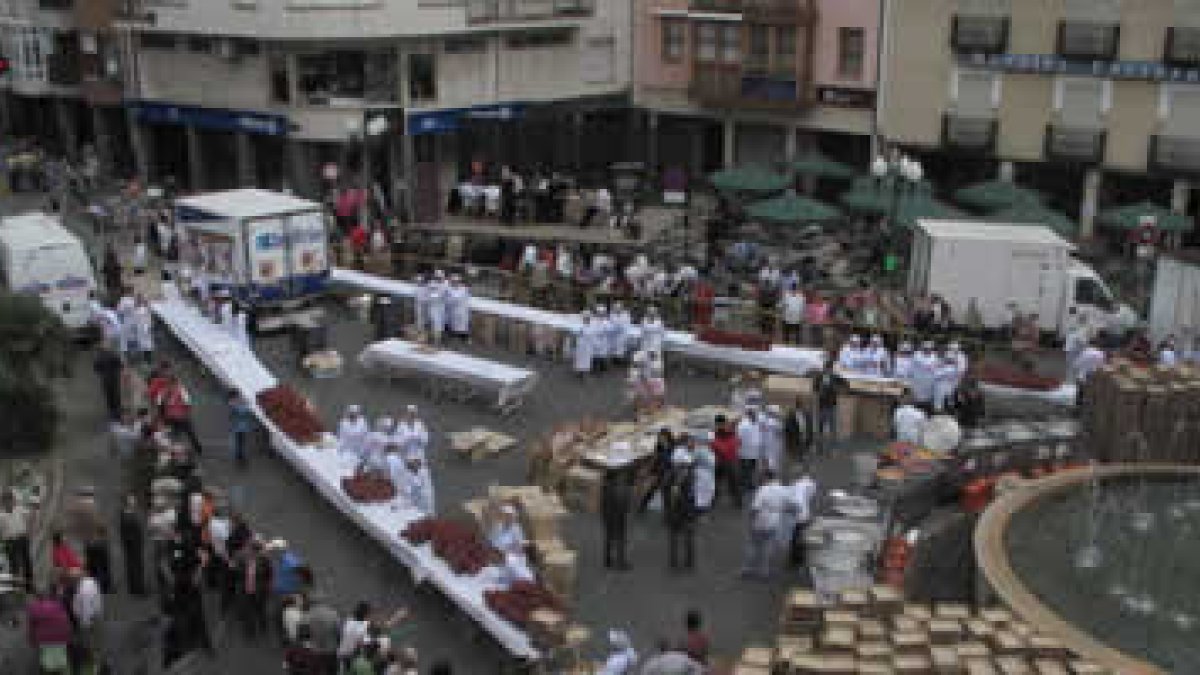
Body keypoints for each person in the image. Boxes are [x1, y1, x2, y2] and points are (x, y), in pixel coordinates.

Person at [742, 471, 787, 579]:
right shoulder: (784, 490)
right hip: (775, 520)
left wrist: (751, 519)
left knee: (753, 545)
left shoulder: (763, 489)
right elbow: (791, 505)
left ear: (766, 478)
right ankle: (764, 571)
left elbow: (755, 507)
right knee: (768, 547)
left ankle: (748, 568)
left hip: (761, 519)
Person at [664, 452, 697, 571]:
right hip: (678, 513)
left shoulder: (688, 477)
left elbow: (689, 497)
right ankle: (676, 562)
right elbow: (669, 497)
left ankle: (688, 562)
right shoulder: (674, 478)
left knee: (686, 538)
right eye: (683, 466)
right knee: (677, 538)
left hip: (684, 512)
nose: (685, 469)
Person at [235, 539, 273, 641]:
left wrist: (267, 586)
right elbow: (237, 571)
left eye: (257, 551)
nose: (254, 553)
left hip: (259, 590)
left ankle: (262, 625)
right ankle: (250, 632)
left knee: (260, 609)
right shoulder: (241, 556)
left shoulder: (264, 559)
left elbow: (269, 573)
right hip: (245, 589)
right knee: (247, 611)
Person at [157, 373, 203, 455]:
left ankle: (174, 451)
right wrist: (187, 411)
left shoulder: (163, 391)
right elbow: (188, 402)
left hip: (170, 417)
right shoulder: (181, 390)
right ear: (176, 382)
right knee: (190, 432)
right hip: (182, 416)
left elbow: (159, 404)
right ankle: (197, 448)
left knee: (174, 434)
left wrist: (163, 416)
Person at [783, 473, 817, 567]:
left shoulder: (798, 486)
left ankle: (795, 560)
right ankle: (800, 558)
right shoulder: (810, 483)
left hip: (797, 516)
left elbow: (797, 503)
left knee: (795, 539)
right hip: (805, 514)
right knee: (801, 537)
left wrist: (787, 509)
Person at [0, 488, 33, 584]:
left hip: (22, 537)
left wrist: (29, 531)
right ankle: (15, 583)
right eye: (6, 501)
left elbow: (30, 516)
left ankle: (29, 582)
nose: (9, 503)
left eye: (10, 500)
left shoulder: (19, 509)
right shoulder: (1, 515)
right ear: (3, 502)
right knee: (14, 563)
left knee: (26, 560)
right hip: (10, 541)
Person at [639, 428, 675, 513]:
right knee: (652, 490)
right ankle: (642, 507)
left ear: (667, 437)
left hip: (667, 473)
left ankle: (669, 513)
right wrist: (650, 471)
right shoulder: (659, 446)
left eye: (662, 438)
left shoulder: (672, 448)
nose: (660, 439)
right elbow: (655, 459)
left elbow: (672, 462)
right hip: (660, 472)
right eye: (659, 437)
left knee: (665, 494)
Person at [812, 359, 844, 453]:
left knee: (832, 428)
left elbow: (843, 385)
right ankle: (819, 447)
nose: (827, 370)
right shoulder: (819, 377)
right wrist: (820, 390)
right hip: (821, 406)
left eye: (829, 369)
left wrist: (835, 389)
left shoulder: (835, 377)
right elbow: (815, 388)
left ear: (831, 369)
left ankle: (832, 448)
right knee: (820, 428)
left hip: (831, 406)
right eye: (826, 368)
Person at [710, 415, 741, 509]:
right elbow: (737, 442)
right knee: (717, 481)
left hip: (727, 460)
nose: (719, 426)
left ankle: (737, 500)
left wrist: (719, 447)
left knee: (732, 481)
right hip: (722, 460)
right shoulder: (717, 432)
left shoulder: (728, 432)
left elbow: (736, 442)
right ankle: (713, 498)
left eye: (720, 424)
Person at [118, 494, 147, 596]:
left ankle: (133, 587)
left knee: (132, 565)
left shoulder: (125, 514)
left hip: (130, 544)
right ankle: (139, 588)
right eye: (132, 500)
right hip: (134, 544)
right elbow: (130, 531)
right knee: (136, 566)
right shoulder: (129, 515)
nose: (134, 501)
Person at [736, 408, 763, 498]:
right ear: (749, 414)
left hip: (754, 451)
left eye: (755, 414)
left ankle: (749, 483)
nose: (755, 416)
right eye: (753, 414)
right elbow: (739, 438)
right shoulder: (743, 425)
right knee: (744, 468)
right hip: (744, 451)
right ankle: (743, 485)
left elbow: (758, 435)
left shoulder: (756, 423)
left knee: (752, 468)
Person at [338, 602, 374, 670]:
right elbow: (365, 643)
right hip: (352, 656)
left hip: (340, 653)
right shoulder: (365, 625)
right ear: (366, 614)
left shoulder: (347, 620)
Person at [93, 345, 124, 422]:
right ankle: (118, 412)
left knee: (108, 395)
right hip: (114, 377)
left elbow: (96, 368)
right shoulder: (113, 354)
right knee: (116, 395)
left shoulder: (98, 357)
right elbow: (120, 365)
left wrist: (101, 372)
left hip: (105, 379)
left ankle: (112, 412)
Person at [639, 639, 703, 675]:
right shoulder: (680, 656)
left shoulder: (652, 662)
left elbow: (644, 672)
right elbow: (699, 668)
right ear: (668, 648)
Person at [228, 389, 256, 468]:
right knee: (241, 443)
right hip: (242, 428)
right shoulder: (236, 405)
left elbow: (232, 417)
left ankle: (239, 457)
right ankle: (241, 457)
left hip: (237, 427)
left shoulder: (232, 404)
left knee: (239, 442)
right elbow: (245, 412)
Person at [691, 436, 716, 513]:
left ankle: (701, 506)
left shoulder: (699, 450)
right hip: (706, 473)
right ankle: (704, 505)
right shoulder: (707, 450)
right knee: (705, 491)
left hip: (703, 473)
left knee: (701, 490)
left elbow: (692, 461)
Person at [910, 342, 938, 408]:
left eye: (929, 349)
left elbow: (936, 368)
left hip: (929, 381)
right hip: (917, 380)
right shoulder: (916, 355)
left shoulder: (934, 357)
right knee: (916, 397)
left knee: (928, 398)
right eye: (925, 349)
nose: (927, 350)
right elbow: (912, 367)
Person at [759, 405, 785, 475]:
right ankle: (771, 473)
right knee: (773, 459)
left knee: (767, 458)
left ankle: (767, 471)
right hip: (773, 443)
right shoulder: (775, 422)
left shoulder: (764, 420)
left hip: (766, 443)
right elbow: (780, 432)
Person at [446, 275, 471, 342]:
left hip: (462, 310)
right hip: (453, 310)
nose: (455, 283)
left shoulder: (464, 289)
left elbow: (463, 298)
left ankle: (465, 338)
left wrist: (454, 300)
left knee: (463, 324)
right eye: (453, 282)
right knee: (454, 324)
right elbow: (449, 300)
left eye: (456, 282)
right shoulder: (450, 289)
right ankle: (455, 337)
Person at [426, 271, 448, 344]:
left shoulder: (446, 284)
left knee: (440, 324)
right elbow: (429, 294)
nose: (439, 279)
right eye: (437, 278)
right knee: (433, 323)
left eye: (440, 278)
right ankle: (432, 339)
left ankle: (438, 340)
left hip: (442, 307)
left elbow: (445, 294)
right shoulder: (431, 284)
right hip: (433, 306)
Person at [573, 312, 597, 376]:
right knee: (579, 358)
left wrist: (593, 343)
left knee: (586, 359)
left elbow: (592, 335)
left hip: (587, 345)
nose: (586, 319)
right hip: (580, 344)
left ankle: (585, 370)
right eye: (585, 318)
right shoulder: (579, 325)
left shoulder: (592, 326)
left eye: (587, 318)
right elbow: (575, 332)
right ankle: (579, 371)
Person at [133, 294, 155, 364]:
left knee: (147, 344)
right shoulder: (138, 309)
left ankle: (147, 358)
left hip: (144, 328)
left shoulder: (143, 308)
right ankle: (146, 358)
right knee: (145, 344)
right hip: (142, 328)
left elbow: (149, 315)